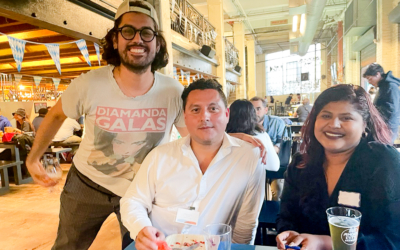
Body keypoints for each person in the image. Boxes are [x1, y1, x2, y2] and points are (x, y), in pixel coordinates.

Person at [25, 1, 189, 249]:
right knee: (68, 246)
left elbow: (193, 138)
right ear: (115, 39)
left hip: (141, 192)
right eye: (128, 31)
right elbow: (56, 116)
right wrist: (32, 159)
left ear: (157, 42)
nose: (138, 39)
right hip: (87, 184)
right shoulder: (89, 84)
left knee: (143, 247)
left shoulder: (173, 91)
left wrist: (236, 139)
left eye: (146, 33)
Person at [121, 79, 266, 248]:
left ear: (226, 114)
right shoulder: (160, 155)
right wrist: (142, 229)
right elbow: (133, 200)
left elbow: (246, 223)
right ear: (185, 116)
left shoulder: (249, 157)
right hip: (160, 246)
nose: (204, 116)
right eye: (196, 110)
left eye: (213, 109)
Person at [276, 84, 400, 250]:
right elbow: (286, 216)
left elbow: (392, 238)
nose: (334, 124)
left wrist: (326, 243)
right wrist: (289, 233)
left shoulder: (382, 162)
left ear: (364, 124)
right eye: (326, 116)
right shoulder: (301, 164)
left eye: (346, 118)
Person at [226, 99, 280, 172]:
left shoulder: (223, 137)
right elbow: (274, 166)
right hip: (253, 181)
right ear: (253, 115)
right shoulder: (260, 136)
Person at [250, 96, 286, 201]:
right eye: (252, 109)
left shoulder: (277, 122)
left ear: (266, 110)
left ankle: (273, 214)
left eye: (258, 109)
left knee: (277, 190)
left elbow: (280, 146)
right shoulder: (246, 124)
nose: (254, 112)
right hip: (255, 166)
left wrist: (268, 149)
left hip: (274, 165)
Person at [363, 63, 400, 143]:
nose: (369, 82)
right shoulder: (383, 87)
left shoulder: (391, 87)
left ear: (377, 74)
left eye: (370, 79)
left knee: (381, 149)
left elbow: (390, 109)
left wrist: (373, 112)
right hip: (381, 125)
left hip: (387, 127)